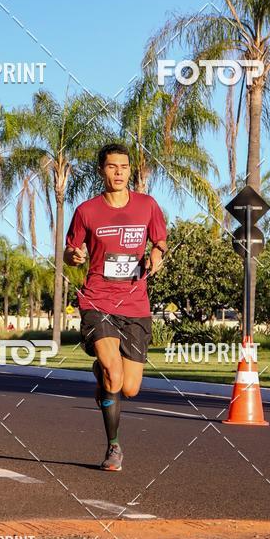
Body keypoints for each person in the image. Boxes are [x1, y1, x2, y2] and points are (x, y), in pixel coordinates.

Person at [64, 143, 167, 472]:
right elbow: (70, 250)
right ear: (101, 170)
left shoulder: (147, 206)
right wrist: (74, 256)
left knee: (130, 387)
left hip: (135, 303)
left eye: (124, 166)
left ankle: (100, 373)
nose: (119, 172)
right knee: (114, 372)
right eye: (112, 166)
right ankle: (114, 447)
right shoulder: (86, 211)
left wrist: (155, 257)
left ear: (129, 171)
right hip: (98, 299)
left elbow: (160, 244)